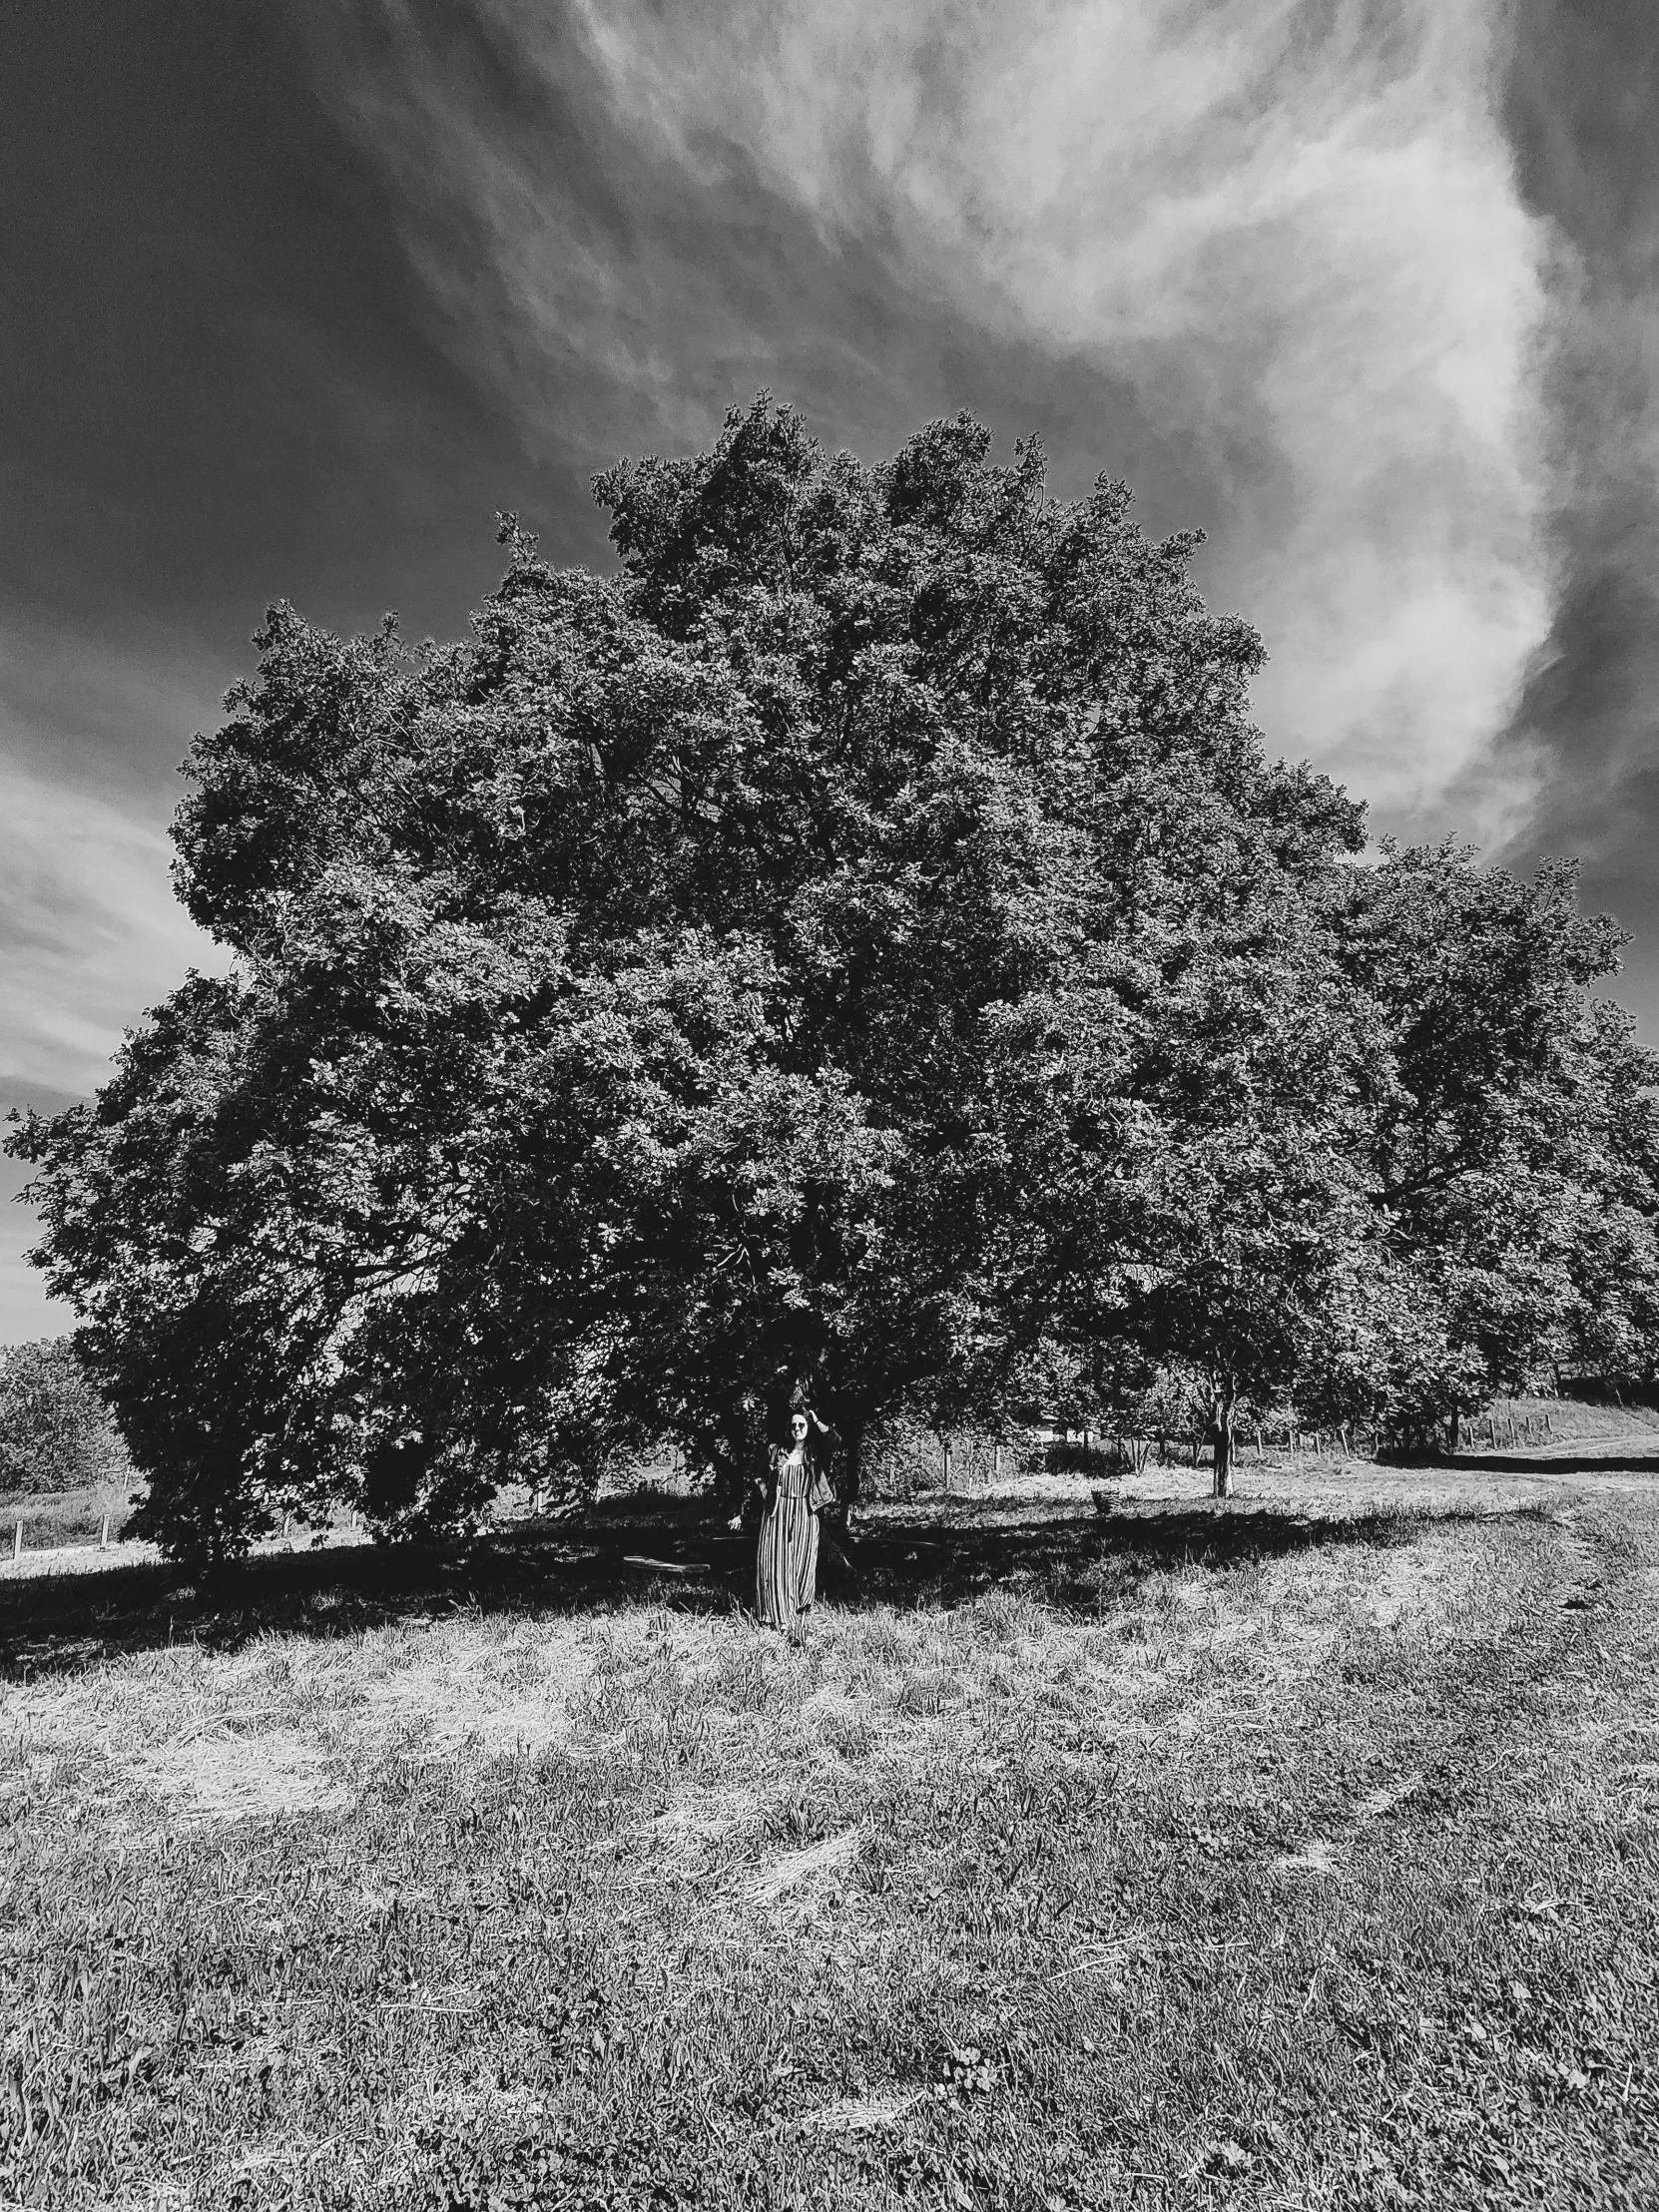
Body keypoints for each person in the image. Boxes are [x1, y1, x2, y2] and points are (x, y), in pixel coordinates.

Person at [754, 1405, 833, 1641]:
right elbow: (758, 1475)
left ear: (808, 1428)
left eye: (802, 1425)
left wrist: (816, 1418)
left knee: (800, 1562)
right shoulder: (776, 1451)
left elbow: (833, 1440)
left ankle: (798, 1609)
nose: (797, 1429)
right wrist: (768, 1496)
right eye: (793, 1425)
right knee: (778, 1563)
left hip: (806, 1511)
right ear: (788, 1430)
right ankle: (782, 1617)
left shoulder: (814, 1452)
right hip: (778, 1511)